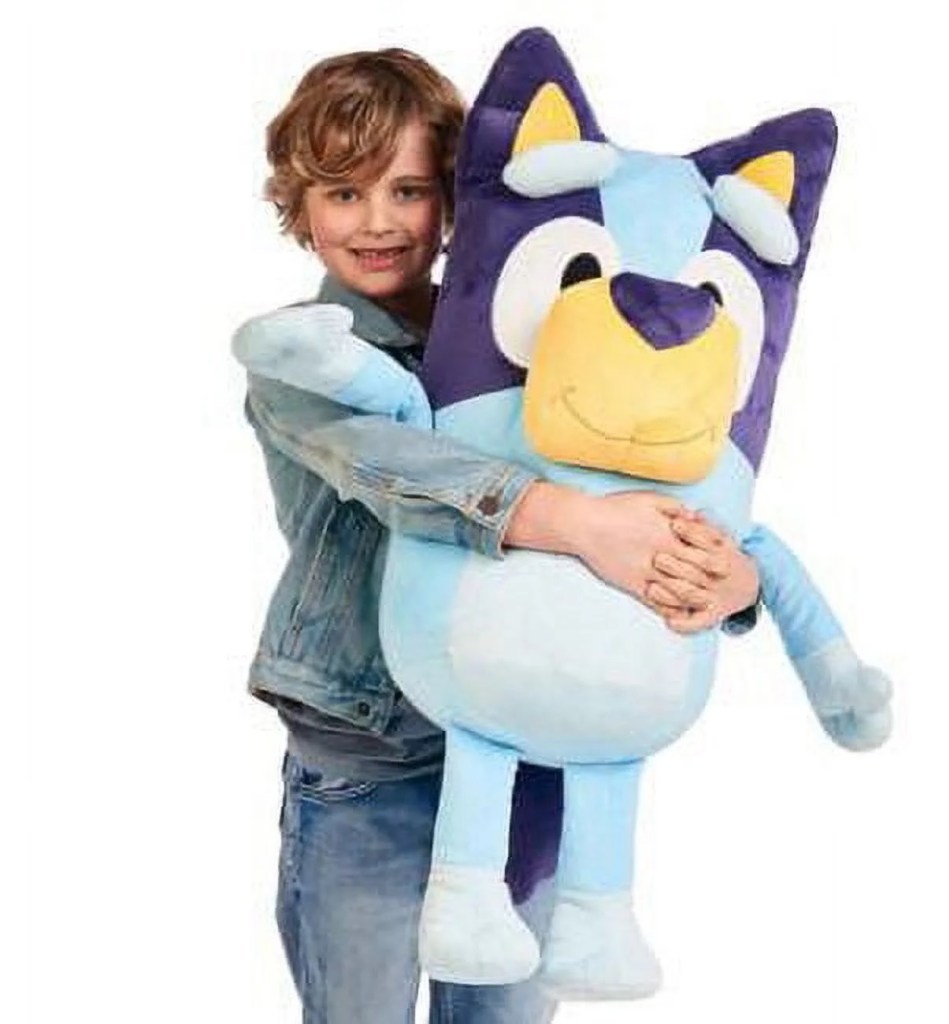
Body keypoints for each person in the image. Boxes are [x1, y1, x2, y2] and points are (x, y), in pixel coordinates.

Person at [237, 46, 761, 1024]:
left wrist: (731, 582)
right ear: (298, 207)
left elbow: (652, 472)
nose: (379, 220)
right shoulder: (299, 356)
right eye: (344, 193)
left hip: (526, 749)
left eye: (408, 189)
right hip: (368, 760)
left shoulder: (535, 339)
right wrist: (580, 523)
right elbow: (397, 472)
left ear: (457, 199)